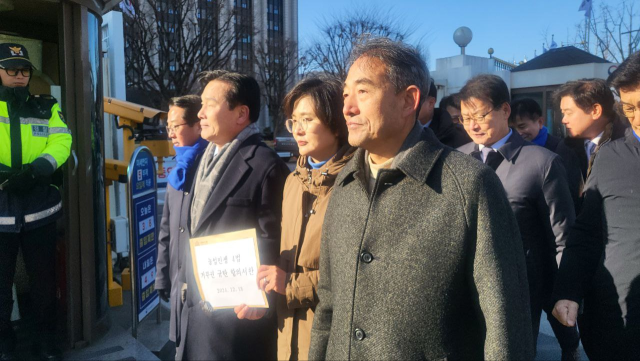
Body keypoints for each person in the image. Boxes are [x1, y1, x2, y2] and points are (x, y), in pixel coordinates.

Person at [308, 38, 533, 360]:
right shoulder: (344, 184)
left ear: (408, 99)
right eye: (345, 94)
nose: (347, 107)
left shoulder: (469, 185)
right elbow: (329, 305)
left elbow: (504, 319)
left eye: (363, 91)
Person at [457, 75, 579, 360]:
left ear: (505, 110)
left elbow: (562, 235)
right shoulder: (457, 159)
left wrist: (566, 291)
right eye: (465, 118)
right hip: (467, 285)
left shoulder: (541, 162)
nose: (473, 125)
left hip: (523, 287)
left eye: (481, 115)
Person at [239, 75, 355, 360]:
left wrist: (290, 285)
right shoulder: (294, 180)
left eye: (308, 120)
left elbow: (358, 274)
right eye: (294, 121)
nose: (298, 130)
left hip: (333, 336)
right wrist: (264, 294)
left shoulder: (357, 183)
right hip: (287, 331)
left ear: (336, 124)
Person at [182, 70, 289, 360]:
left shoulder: (266, 165)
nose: (200, 113)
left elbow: (275, 241)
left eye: (210, 104)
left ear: (241, 114)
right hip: (196, 313)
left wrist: (262, 298)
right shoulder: (205, 156)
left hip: (237, 325)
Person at [552, 51, 640, 361]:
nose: (638, 119)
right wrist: (569, 290)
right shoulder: (610, 157)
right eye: (630, 108)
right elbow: (587, 232)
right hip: (618, 319)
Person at [0, 43, 71, 361]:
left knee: (44, 281)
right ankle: (4, 342)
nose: (19, 76)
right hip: (1, 208)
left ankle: (46, 340)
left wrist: (37, 169)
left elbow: (62, 139)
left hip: (39, 207)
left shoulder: (46, 106)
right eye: (11, 70)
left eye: (24, 70)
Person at [154, 95, 207, 360]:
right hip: (177, 284)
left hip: (203, 291)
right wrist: (162, 276)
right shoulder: (177, 170)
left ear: (198, 125)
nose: (171, 134)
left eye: (176, 126)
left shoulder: (210, 167)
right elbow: (167, 230)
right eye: (168, 127)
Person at [509, 98, 583, 211]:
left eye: (522, 126)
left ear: (540, 122)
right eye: (512, 128)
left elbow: (569, 193)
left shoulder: (561, 148)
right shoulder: (509, 151)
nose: (518, 133)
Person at [554, 79, 628, 180]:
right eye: (563, 113)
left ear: (595, 111)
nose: (564, 120)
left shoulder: (627, 145)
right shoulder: (565, 147)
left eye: (569, 113)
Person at [417, 81, 470, 148]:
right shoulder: (402, 133)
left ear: (431, 103)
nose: (405, 104)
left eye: (412, 99)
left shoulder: (460, 138)